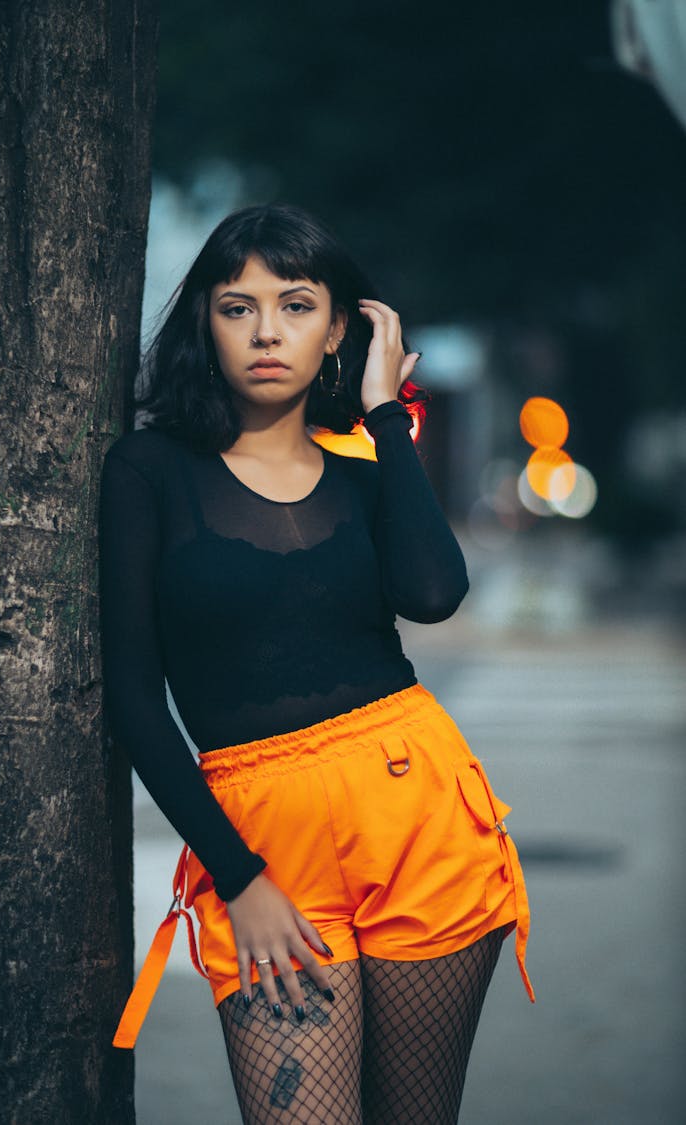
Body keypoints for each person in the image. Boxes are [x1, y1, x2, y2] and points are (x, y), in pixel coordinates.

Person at [99, 203, 534, 1125]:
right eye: (236, 306)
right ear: (205, 324)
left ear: (341, 327)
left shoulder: (369, 473)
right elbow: (135, 700)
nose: (265, 331)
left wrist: (383, 413)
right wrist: (237, 874)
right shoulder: (148, 471)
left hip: (419, 820)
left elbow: (433, 593)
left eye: (297, 305)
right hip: (262, 847)